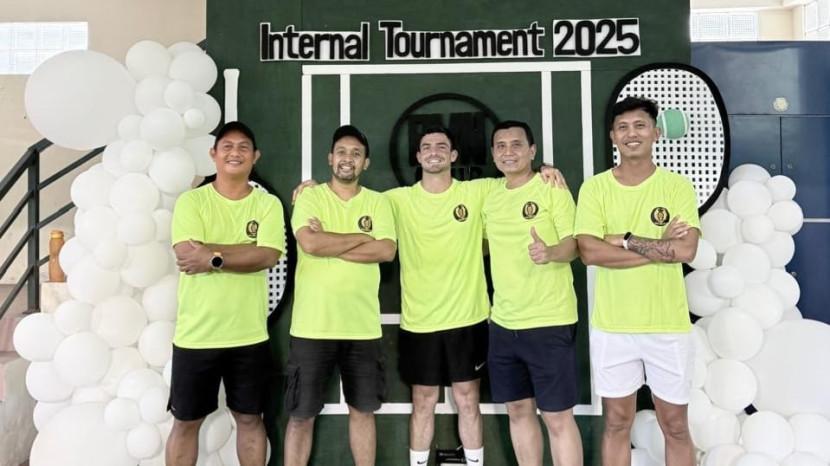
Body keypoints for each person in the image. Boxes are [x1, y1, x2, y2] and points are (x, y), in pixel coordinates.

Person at [574, 96, 700, 466]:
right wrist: (660, 247)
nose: (632, 134)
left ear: (656, 133)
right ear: (613, 136)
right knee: (616, 422)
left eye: (640, 125)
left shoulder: (677, 187)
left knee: (675, 426)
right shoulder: (595, 188)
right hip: (613, 328)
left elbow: (686, 250)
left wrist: (625, 239)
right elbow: (590, 252)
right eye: (623, 127)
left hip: (668, 326)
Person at [167, 121, 285, 466]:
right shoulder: (192, 201)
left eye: (243, 147)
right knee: (186, 422)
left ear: (255, 156)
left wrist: (213, 256)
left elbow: (267, 256)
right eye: (228, 146)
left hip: (249, 335)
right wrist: (243, 250)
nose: (235, 153)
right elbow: (187, 254)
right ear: (213, 154)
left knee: (250, 419)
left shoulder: (267, 205)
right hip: (196, 335)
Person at [284, 125, 397, 466]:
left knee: (363, 411)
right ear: (330, 158)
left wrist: (330, 241)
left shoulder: (378, 202)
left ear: (366, 163)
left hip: (362, 328)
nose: (348, 158)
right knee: (301, 415)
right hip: (312, 327)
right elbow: (310, 243)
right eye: (342, 152)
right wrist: (362, 238)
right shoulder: (309, 197)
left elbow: (386, 250)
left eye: (356, 154)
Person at [482, 120, 583, 466]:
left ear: (532, 151)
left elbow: (574, 245)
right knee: (517, 410)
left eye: (516, 145)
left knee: (557, 416)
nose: (508, 152)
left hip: (549, 321)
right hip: (503, 324)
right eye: (501, 146)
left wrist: (550, 252)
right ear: (493, 154)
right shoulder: (488, 194)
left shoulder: (551, 186)